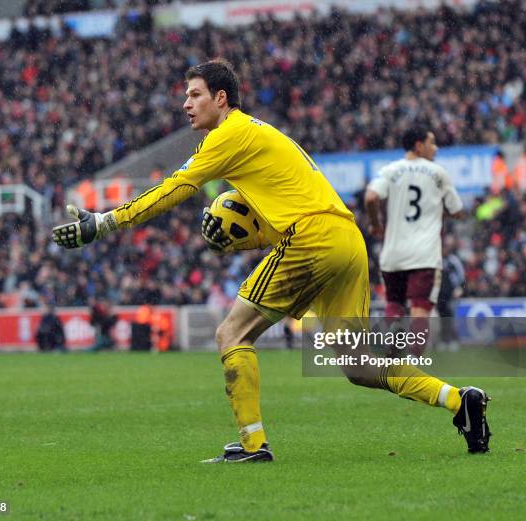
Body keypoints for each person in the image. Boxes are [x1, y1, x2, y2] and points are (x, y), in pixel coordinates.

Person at [52, 60, 491, 460]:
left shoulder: (228, 134)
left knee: (231, 333)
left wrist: (103, 223)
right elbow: (275, 218)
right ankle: (458, 399)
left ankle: (253, 445)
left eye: (195, 94)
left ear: (220, 98)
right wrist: (245, 238)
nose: (186, 104)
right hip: (346, 238)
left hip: (313, 239)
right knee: (357, 363)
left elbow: (175, 188)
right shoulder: (258, 135)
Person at [364, 127, 464, 354]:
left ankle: (394, 354)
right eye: (432, 143)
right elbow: (457, 211)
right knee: (420, 310)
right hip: (424, 256)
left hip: (394, 254)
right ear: (419, 146)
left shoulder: (390, 170)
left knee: (394, 304)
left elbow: (371, 197)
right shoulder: (438, 173)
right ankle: (413, 364)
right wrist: (437, 210)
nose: (436, 148)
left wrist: (376, 223)